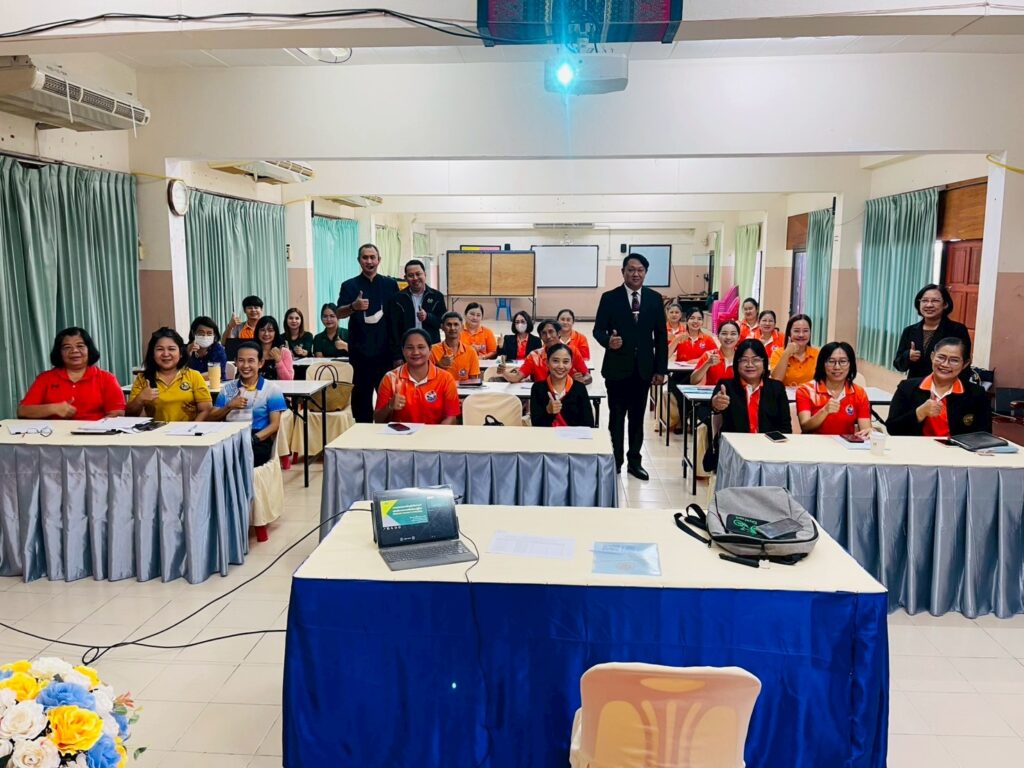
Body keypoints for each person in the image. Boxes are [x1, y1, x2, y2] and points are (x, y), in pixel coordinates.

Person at [593, 253, 668, 480]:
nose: (635, 274)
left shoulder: (654, 299)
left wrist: (660, 370)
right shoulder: (610, 298)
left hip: (643, 370)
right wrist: (608, 341)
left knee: (637, 419)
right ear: (623, 272)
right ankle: (615, 460)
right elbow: (598, 330)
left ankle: (635, 462)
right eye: (631, 269)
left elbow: (661, 336)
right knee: (616, 418)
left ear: (645, 272)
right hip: (617, 369)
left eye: (640, 270)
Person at [338, 243, 400, 422]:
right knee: (361, 405)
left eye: (373, 257)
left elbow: (396, 320)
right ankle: (362, 437)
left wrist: (397, 354)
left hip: (385, 354)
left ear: (379, 260)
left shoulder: (390, 284)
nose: (369, 261)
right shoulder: (349, 285)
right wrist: (353, 306)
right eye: (365, 257)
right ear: (359, 260)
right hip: (360, 355)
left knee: (389, 403)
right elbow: (339, 313)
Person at [886, 337, 991, 437]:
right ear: (932, 356)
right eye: (941, 357)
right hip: (916, 448)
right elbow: (892, 428)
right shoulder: (907, 387)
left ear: (965, 364)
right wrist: (920, 412)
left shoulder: (976, 393)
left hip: (956, 449)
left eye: (954, 360)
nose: (945, 364)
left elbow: (984, 434)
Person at [18, 327, 126, 421]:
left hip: (95, 435)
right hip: (53, 435)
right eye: (67, 347)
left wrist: (96, 429)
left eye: (80, 346)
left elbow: (117, 413)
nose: (74, 350)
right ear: (59, 352)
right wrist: (53, 408)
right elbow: (22, 411)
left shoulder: (107, 378)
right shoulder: (45, 378)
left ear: (89, 350)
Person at [209, 342, 288, 469]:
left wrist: (253, 439)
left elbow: (275, 425)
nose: (245, 365)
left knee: (241, 460)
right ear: (235, 362)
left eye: (251, 361)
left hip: (258, 438)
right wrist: (229, 406)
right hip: (229, 436)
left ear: (260, 363)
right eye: (241, 360)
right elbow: (212, 417)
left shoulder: (272, 389)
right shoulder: (228, 388)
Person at [374, 329, 460, 425]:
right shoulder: (390, 378)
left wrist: (435, 434)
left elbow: (451, 417)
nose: (415, 352)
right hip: (400, 434)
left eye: (421, 347)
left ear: (430, 349)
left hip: (434, 433)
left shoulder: (445, 378)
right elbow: (378, 420)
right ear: (403, 350)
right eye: (410, 348)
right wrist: (389, 406)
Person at [127, 327, 212, 422]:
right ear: (152, 353)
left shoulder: (194, 376)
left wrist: (191, 428)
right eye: (160, 349)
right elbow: (129, 414)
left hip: (188, 430)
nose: (166, 354)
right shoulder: (143, 378)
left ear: (180, 353)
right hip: (155, 430)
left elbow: (206, 410)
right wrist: (140, 399)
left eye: (171, 349)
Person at [710, 339, 792, 435]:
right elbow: (713, 407)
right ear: (736, 364)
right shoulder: (726, 386)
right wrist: (716, 404)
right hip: (734, 442)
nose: (750, 365)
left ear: (764, 363)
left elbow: (786, 427)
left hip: (768, 443)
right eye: (744, 360)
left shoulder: (777, 388)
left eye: (756, 360)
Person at [893, 284, 972, 379]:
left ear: (945, 304)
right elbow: (898, 365)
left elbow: (964, 365)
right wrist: (908, 356)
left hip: (945, 385)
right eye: (924, 300)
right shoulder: (909, 331)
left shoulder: (957, 330)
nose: (929, 305)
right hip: (915, 385)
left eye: (935, 301)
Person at [796, 341, 872, 438]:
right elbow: (805, 427)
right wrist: (824, 411)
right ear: (822, 364)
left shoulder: (859, 393)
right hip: (814, 444)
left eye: (843, 361)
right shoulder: (805, 390)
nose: (837, 367)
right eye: (831, 361)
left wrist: (869, 431)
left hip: (846, 444)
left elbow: (865, 429)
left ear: (851, 364)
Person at [387, 259, 446, 364]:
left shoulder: (437, 296)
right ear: (405, 278)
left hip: (431, 350)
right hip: (407, 351)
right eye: (411, 275)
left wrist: (427, 317)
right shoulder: (397, 299)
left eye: (418, 274)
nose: (415, 278)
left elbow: (442, 323)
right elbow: (393, 330)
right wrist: (397, 356)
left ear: (425, 275)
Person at [499, 319, 591, 384]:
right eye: (544, 333)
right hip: (542, 398)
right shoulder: (534, 356)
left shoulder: (572, 351)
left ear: (559, 333)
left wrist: (582, 381)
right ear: (540, 337)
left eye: (551, 332)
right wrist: (504, 372)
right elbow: (516, 378)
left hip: (567, 395)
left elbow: (588, 376)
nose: (548, 336)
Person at [529, 343, 595, 428]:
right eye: (555, 361)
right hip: (546, 436)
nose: (560, 366)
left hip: (573, 436)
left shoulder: (579, 388)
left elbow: (589, 425)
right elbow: (536, 425)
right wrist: (548, 411)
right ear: (547, 363)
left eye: (566, 362)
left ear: (571, 364)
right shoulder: (538, 388)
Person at [430, 311, 481, 383]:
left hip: (464, 390)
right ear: (442, 327)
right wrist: (439, 366)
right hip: (441, 389)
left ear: (462, 327)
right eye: (449, 324)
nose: (452, 328)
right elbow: (425, 378)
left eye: (456, 324)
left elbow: (474, 380)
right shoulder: (432, 350)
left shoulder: (471, 351)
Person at [770, 314, 819, 386]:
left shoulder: (817, 354)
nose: (801, 335)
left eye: (805, 331)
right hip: (784, 393)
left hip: (809, 393)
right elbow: (776, 380)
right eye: (796, 331)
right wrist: (787, 353)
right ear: (789, 333)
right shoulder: (778, 353)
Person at [690, 320, 739, 386]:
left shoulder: (742, 357)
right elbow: (693, 381)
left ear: (738, 337)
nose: (728, 337)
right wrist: (707, 363)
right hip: (712, 392)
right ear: (718, 336)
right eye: (724, 333)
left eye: (733, 334)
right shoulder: (709, 355)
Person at [186, 316, 227, 381]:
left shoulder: (218, 350)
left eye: (209, 333)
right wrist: (187, 354)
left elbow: (213, 374)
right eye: (201, 333)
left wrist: (191, 378)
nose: (205, 336)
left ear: (214, 335)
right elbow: (179, 372)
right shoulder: (186, 349)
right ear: (193, 333)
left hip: (216, 385)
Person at [254, 316, 294, 380]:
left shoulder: (284, 352)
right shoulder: (252, 351)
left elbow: (288, 380)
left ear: (275, 332)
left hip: (278, 386)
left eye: (270, 330)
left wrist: (278, 360)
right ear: (257, 332)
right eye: (262, 330)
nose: (266, 334)